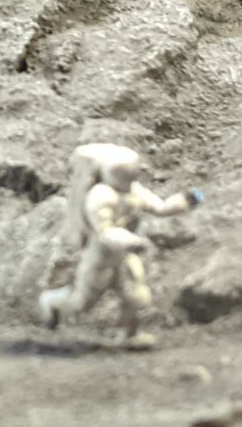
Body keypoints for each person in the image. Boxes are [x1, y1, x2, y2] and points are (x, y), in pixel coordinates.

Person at [39, 143, 202, 348]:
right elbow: (104, 232)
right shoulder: (100, 196)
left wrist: (185, 200)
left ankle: (129, 334)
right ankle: (50, 301)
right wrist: (131, 241)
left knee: (136, 296)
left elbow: (160, 207)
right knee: (82, 302)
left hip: (124, 256)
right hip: (101, 257)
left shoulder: (133, 190)